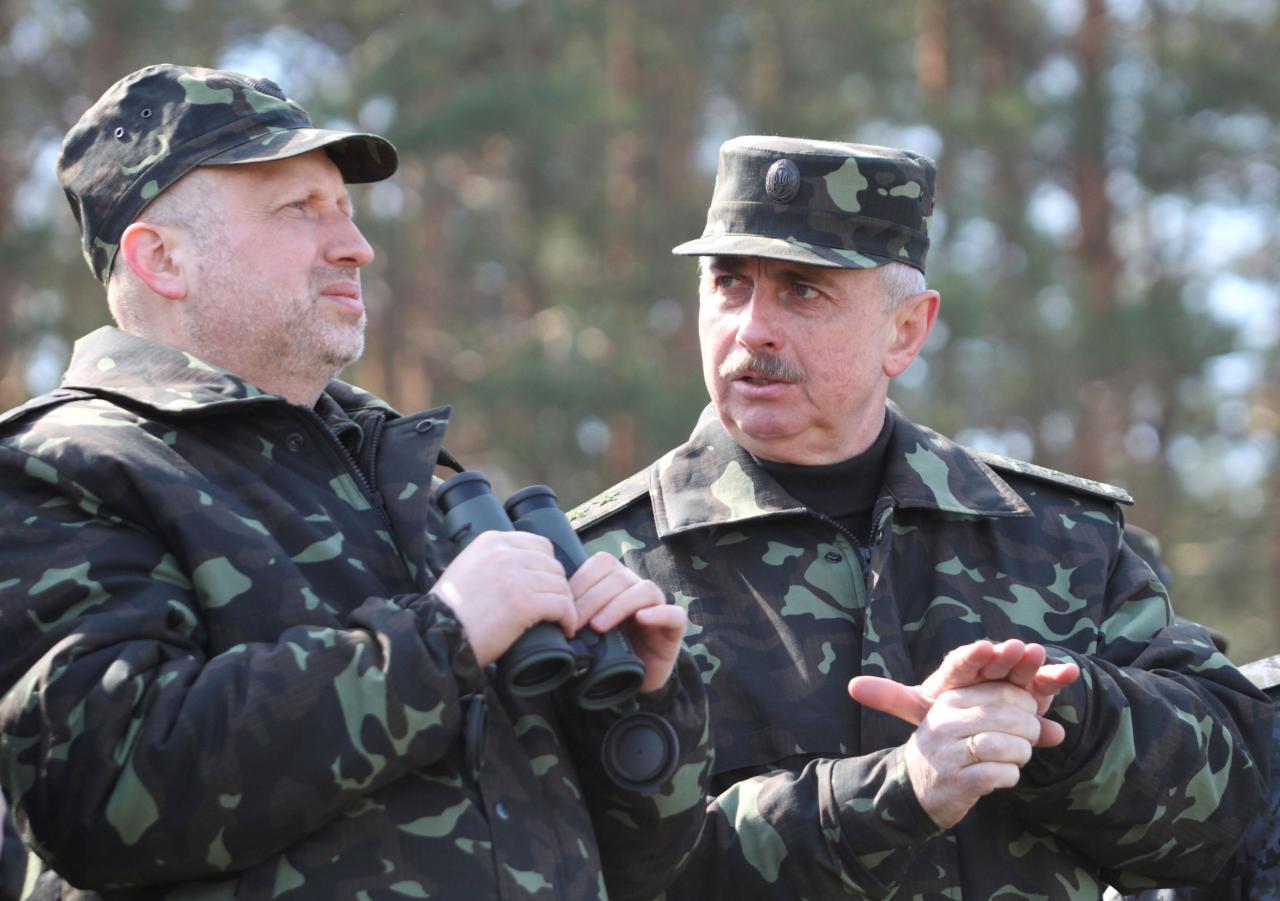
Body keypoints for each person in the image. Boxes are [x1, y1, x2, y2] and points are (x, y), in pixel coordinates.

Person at [0, 64, 710, 899]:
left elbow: (636, 866)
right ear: (161, 258)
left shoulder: (405, 476)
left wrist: (637, 705)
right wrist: (440, 637)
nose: (355, 244)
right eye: (299, 208)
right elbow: (102, 793)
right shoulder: (66, 466)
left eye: (345, 208)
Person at [570, 135, 1273, 898]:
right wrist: (899, 788)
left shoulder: (1061, 539)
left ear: (905, 330)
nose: (752, 328)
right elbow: (589, 866)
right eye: (730, 283)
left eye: (803, 290)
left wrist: (1059, 718)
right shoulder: (606, 569)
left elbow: (1233, 821)